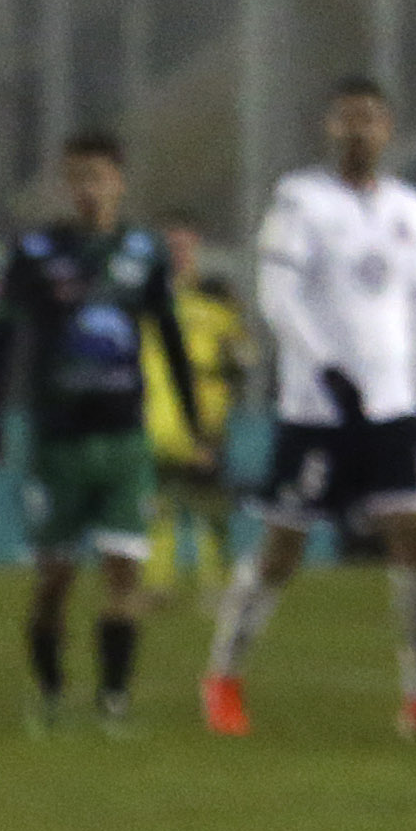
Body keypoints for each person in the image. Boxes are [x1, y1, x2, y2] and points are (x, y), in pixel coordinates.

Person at [201, 78, 416, 741]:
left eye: (372, 119)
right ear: (330, 127)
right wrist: (327, 368)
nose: (360, 131)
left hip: (393, 408)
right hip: (319, 412)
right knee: (283, 549)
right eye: (349, 118)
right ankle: (223, 678)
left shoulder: (413, 208)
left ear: (388, 130)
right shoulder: (301, 200)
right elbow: (277, 297)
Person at [0, 133, 199, 735]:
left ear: (119, 183)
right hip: (58, 439)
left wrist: (194, 422)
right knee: (56, 579)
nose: (87, 190)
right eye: (76, 179)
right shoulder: (35, 251)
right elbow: (0, 346)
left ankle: (113, 701)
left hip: (125, 437)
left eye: (98, 178)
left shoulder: (143, 251)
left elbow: (170, 339)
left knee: (124, 571)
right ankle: (50, 693)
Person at [142, 215, 250, 599]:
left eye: (185, 247)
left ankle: (215, 583)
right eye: (172, 248)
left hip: (206, 417)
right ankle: (158, 584)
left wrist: (228, 379)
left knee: (209, 503)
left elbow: (242, 356)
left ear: (197, 249)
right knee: (158, 504)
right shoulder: (148, 297)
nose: (179, 255)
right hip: (157, 416)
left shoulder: (215, 298)